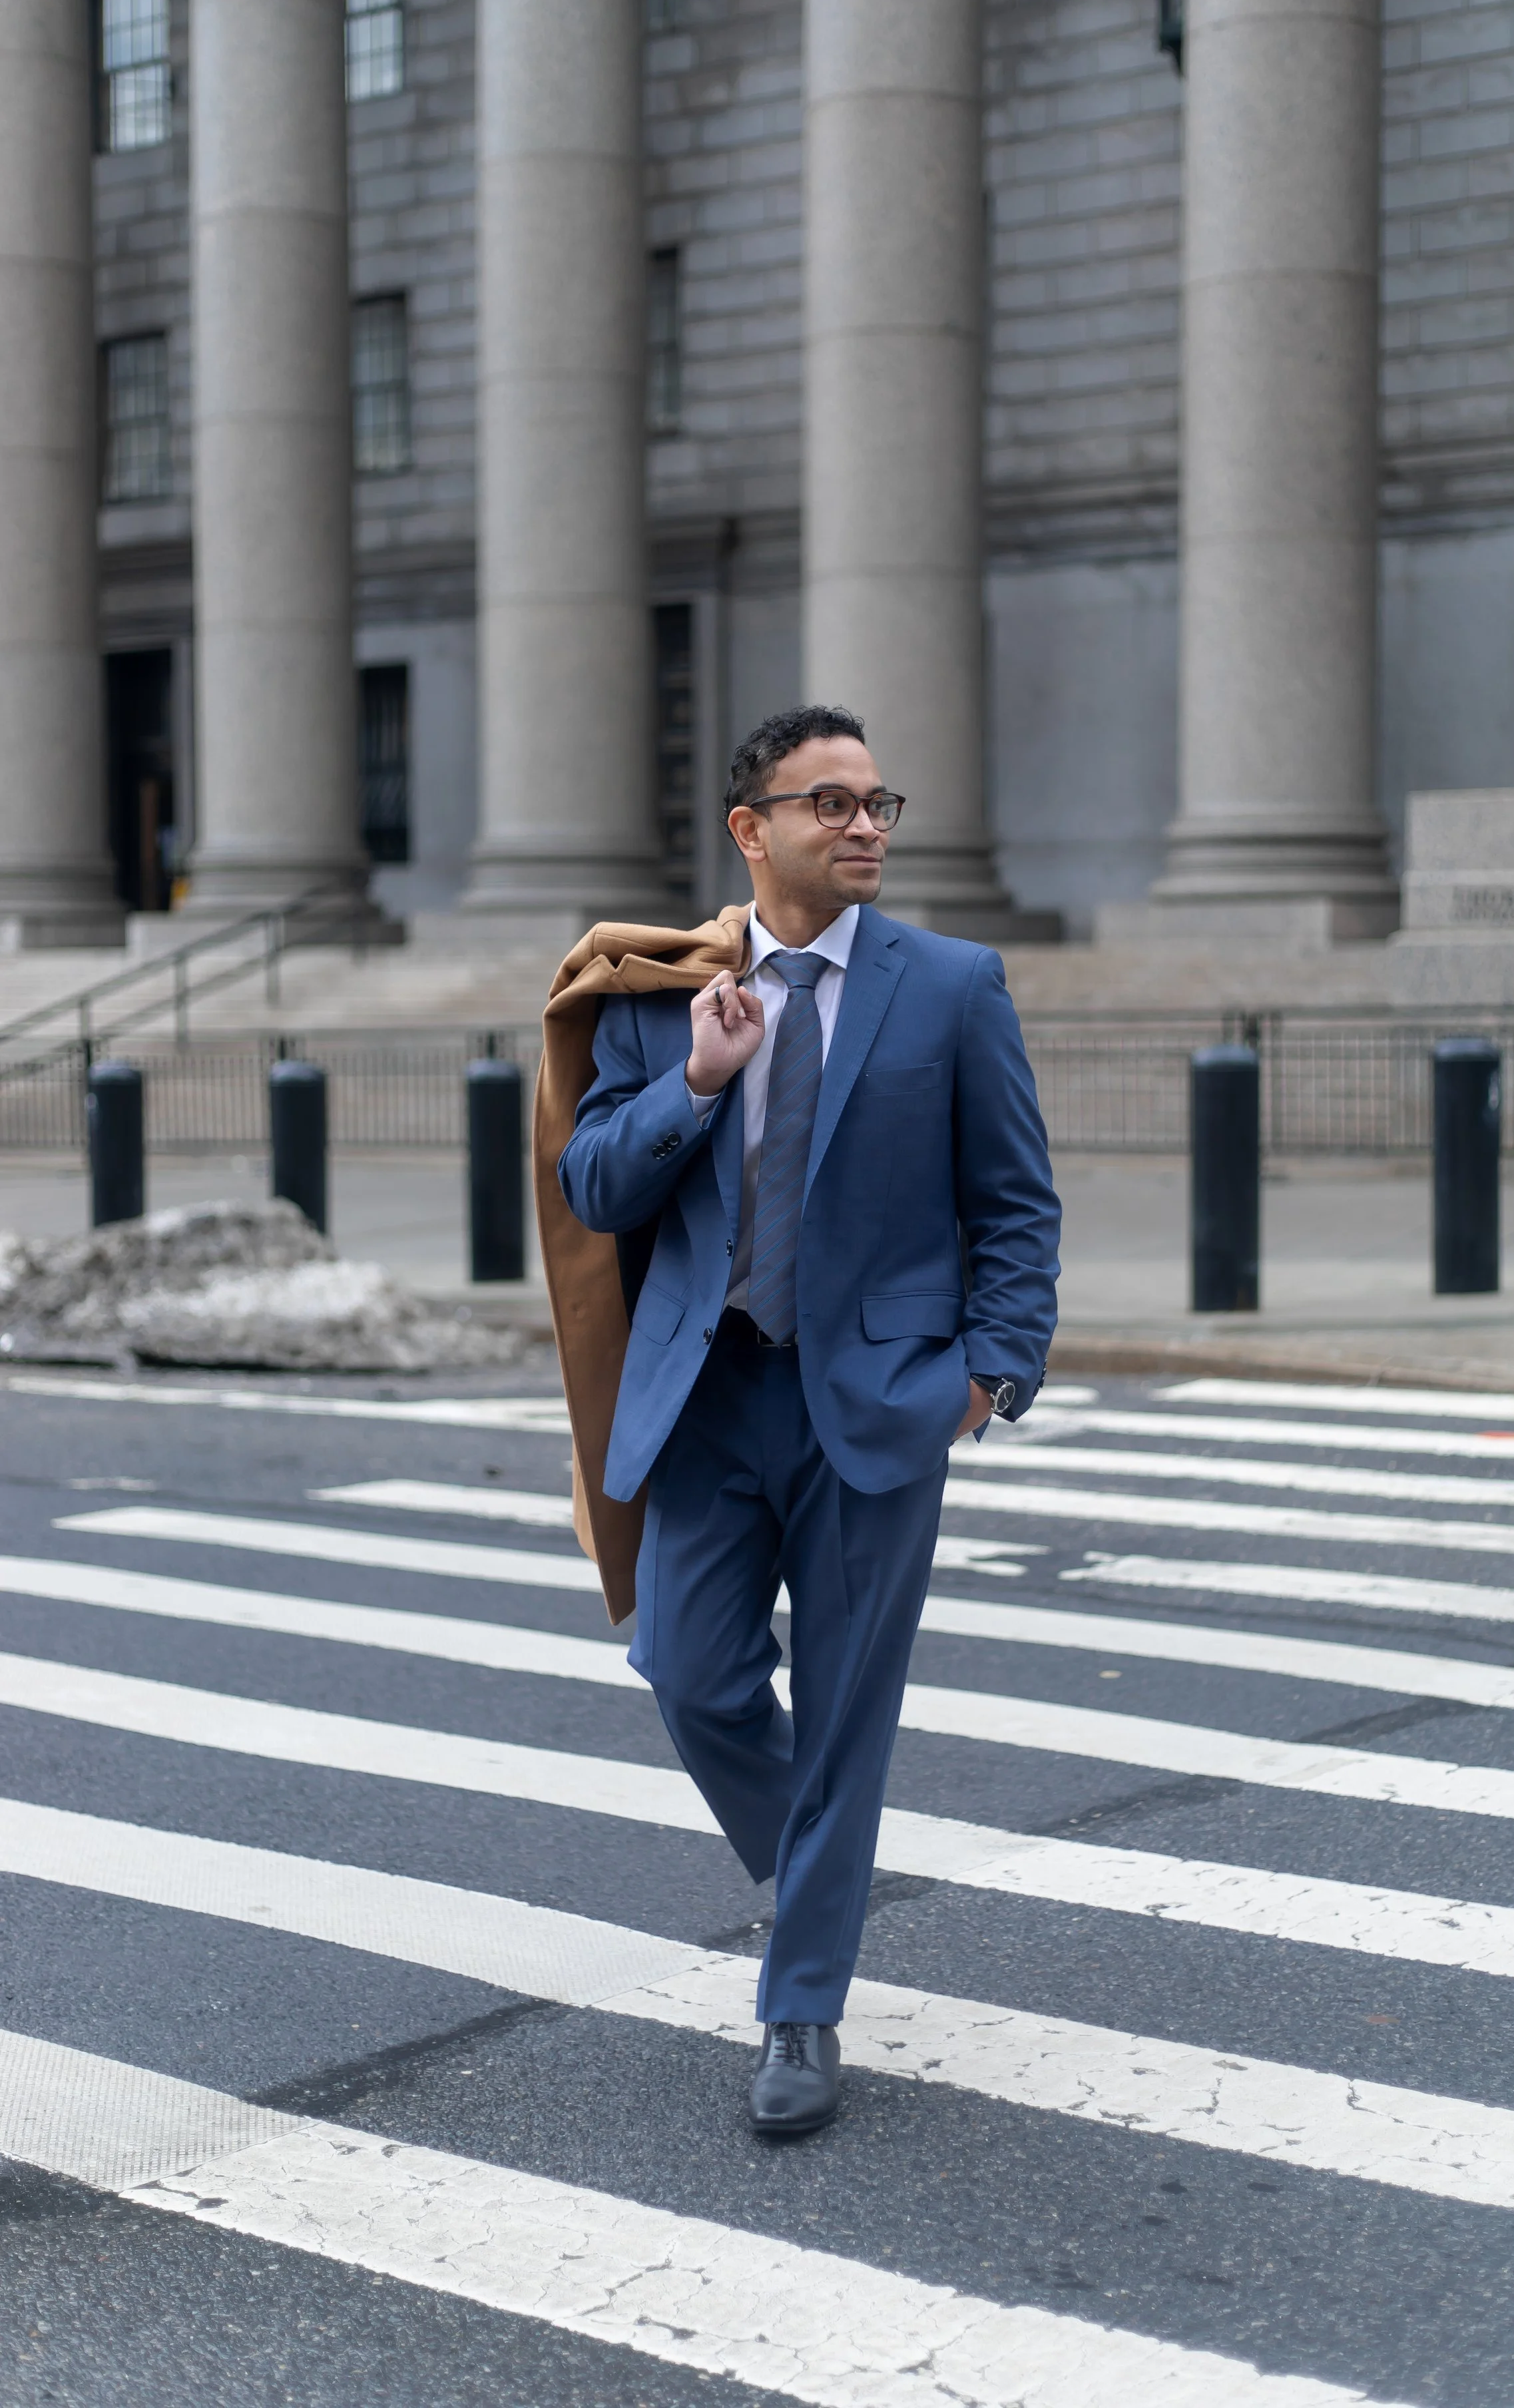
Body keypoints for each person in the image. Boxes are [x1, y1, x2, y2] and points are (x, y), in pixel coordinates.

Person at [558, 704, 1060, 2134]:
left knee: (846, 1718)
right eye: (828, 804)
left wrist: (988, 1372)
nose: (863, 827)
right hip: (706, 1396)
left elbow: (1014, 1203)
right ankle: (823, 1874)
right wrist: (696, 1085)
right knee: (688, 1671)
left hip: (879, 1405)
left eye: (876, 803)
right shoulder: (660, 993)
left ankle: (799, 2009)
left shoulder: (951, 987)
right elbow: (594, 1187)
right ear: (750, 830)